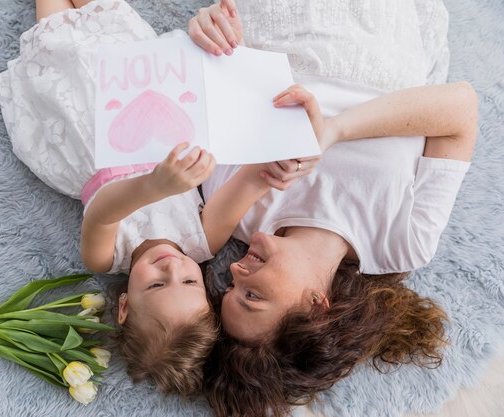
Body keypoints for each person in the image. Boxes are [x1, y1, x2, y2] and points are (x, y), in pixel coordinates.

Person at [0, 0, 308, 396]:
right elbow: (250, 181)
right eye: (190, 281)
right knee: (106, 14)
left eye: (157, 286)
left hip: (84, 121)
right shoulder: (203, 241)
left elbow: (104, 212)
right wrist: (277, 166)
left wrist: (153, 188)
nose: (171, 267)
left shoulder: (106, 257)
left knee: (55, 29)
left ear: (124, 306)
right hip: (141, 92)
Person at [188, 1, 477, 416]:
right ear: (316, 307)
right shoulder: (402, 242)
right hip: (383, 45)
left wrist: (210, 32)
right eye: (251, 294)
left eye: (230, 288)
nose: (233, 270)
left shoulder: (243, 212)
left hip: (282, 29)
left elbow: (223, 83)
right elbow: (460, 108)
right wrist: (334, 131)